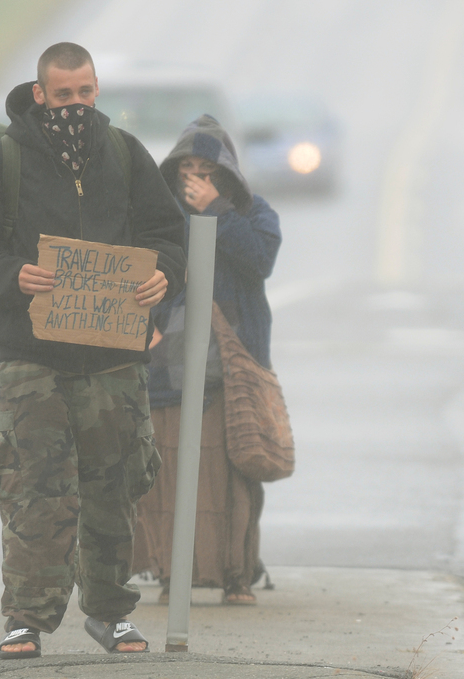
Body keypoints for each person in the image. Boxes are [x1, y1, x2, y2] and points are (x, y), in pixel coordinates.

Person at [0, 42, 187, 658]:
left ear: (97, 90)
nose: (75, 104)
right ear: (40, 93)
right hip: (33, 357)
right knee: (34, 486)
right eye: (63, 94)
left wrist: (165, 275)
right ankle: (26, 618)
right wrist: (13, 276)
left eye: (85, 92)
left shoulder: (127, 155)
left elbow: (164, 233)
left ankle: (109, 612)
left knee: (117, 484)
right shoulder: (5, 161)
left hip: (112, 356)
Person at [132, 114, 281, 605]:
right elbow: (138, 275)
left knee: (232, 475)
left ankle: (236, 575)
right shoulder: (157, 218)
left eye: (206, 169)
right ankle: (173, 574)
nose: (194, 178)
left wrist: (215, 211)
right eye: (186, 168)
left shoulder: (253, 212)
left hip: (230, 369)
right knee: (167, 475)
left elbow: (258, 260)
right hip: (165, 368)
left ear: (226, 173)